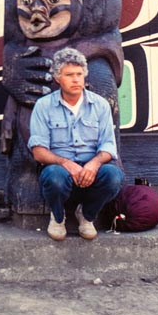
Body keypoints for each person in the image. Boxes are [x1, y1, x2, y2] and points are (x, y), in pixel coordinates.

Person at [28, 47, 124, 241]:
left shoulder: (100, 105)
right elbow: (38, 151)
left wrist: (93, 164)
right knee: (54, 177)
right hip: (59, 170)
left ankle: (86, 216)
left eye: (79, 74)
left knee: (114, 176)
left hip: (91, 169)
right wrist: (66, 163)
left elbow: (108, 146)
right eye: (69, 75)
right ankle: (57, 217)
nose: (76, 80)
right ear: (57, 78)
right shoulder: (44, 106)